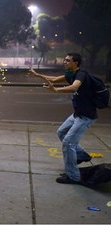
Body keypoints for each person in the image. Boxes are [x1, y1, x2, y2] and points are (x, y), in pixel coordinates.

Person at [29, 52, 95, 185]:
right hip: (77, 114)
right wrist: (37, 75)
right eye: (64, 60)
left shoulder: (81, 74)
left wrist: (56, 91)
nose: (64, 62)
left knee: (68, 143)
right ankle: (82, 155)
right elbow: (53, 79)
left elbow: (75, 87)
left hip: (85, 116)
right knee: (61, 132)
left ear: (75, 62)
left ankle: (73, 177)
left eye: (68, 60)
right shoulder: (70, 74)